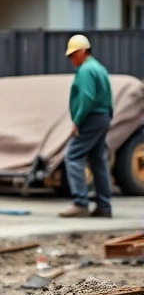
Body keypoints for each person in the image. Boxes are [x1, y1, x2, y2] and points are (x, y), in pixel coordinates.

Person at [59, 34, 114, 218]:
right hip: (102, 117)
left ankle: (80, 203)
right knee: (98, 161)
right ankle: (104, 206)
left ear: (82, 51)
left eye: (73, 55)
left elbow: (87, 97)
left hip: (91, 118)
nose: (71, 59)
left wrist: (77, 121)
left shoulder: (85, 70)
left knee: (73, 156)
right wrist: (107, 117)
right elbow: (108, 96)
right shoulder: (100, 68)